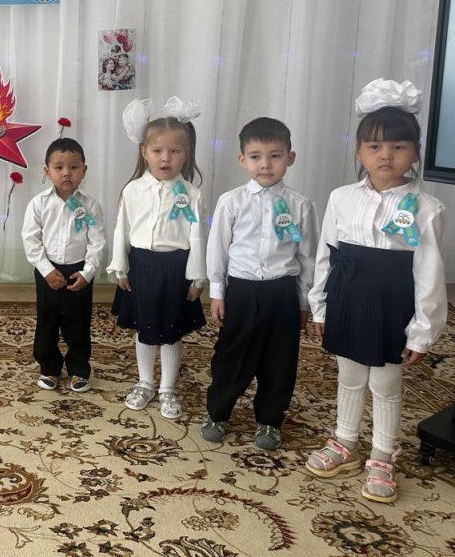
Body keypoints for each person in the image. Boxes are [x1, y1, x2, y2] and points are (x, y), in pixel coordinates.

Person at [305, 79, 447, 504]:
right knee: (349, 376)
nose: (386, 155)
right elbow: (326, 256)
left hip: (392, 307)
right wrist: (320, 307)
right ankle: (345, 441)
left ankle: (383, 455)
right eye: (375, 146)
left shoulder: (427, 209)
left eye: (398, 146)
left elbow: (429, 274)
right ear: (359, 152)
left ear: (415, 153)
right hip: (348, 299)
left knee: (385, 382)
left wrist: (422, 330)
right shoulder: (341, 198)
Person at [201, 118, 318, 450]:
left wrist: (303, 302)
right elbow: (218, 248)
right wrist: (217, 291)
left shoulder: (301, 205)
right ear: (242, 160)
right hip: (242, 291)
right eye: (255, 156)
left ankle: (269, 420)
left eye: (275, 156)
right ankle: (218, 413)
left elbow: (308, 256)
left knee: (280, 360)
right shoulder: (231, 201)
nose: (265, 164)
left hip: (281, 292)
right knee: (231, 355)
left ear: (290, 158)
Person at [108, 97, 206, 420]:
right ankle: (145, 382)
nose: (166, 158)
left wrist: (197, 276)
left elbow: (196, 236)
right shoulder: (132, 191)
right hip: (143, 267)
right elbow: (122, 229)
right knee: (145, 327)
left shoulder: (191, 195)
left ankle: (168, 388)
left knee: (171, 330)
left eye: (174, 151)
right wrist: (120, 267)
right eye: (158, 151)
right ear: (144, 152)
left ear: (185, 153)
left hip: (176, 269)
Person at [22, 138, 106, 393]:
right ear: (47, 171)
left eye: (74, 167)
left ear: (84, 170)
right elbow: (31, 240)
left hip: (78, 272)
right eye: (59, 167)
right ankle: (49, 367)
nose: (66, 173)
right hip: (48, 271)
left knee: (77, 322)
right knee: (47, 320)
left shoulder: (90, 205)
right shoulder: (38, 203)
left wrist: (88, 272)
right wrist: (47, 271)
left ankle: (79, 368)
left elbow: (97, 241)